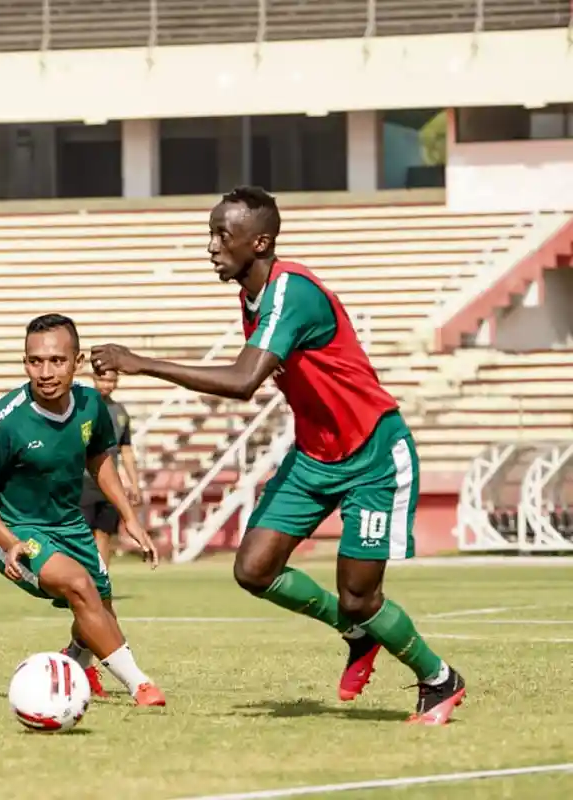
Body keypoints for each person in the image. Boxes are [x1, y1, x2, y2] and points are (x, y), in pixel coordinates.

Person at [90, 186, 465, 725]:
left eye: (224, 235)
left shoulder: (292, 292)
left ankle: (438, 679)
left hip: (373, 456)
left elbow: (245, 381)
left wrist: (139, 362)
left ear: (260, 241)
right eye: (210, 233)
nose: (212, 246)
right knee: (255, 569)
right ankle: (358, 633)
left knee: (361, 596)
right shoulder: (252, 295)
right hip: (315, 455)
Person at [0, 313, 165, 707]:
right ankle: (141, 685)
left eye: (57, 361)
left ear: (78, 361)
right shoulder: (4, 422)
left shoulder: (90, 406)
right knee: (80, 587)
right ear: (25, 363)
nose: (46, 371)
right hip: (19, 530)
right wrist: (9, 540)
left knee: (100, 606)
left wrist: (129, 517)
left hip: (69, 524)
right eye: (35, 361)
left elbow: (100, 459)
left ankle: (74, 661)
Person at [79, 367, 141, 569]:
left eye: (111, 381)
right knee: (82, 534)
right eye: (102, 380)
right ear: (94, 379)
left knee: (104, 534)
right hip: (83, 480)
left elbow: (126, 450)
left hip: (110, 483)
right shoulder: (82, 406)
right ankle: (78, 581)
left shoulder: (120, 413)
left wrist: (134, 483)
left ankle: (101, 582)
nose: (107, 385)